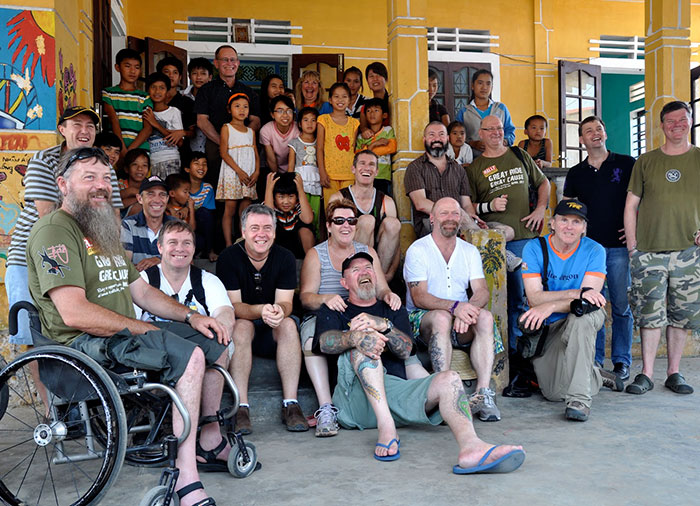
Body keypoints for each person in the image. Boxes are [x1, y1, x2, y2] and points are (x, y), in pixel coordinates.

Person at [26, 147, 231, 506]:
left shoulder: (101, 230)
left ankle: (209, 437)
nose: (101, 185)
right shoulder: (55, 231)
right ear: (63, 185)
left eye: (106, 178)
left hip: (121, 336)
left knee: (213, 340)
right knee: (191, 357)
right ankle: (186, 477)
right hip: (85, 345)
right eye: (89, 177)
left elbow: (143, 292)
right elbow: (74, 313)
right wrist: (143, 329)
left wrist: (191, 316)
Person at [315, 251, 526, 472]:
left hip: (396, 398)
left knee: (450, 379)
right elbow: (324, 343)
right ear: (344, 282)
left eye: (369, 268)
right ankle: (387, 429)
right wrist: (355, 337)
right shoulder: (335, 309)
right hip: (354, 402)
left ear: (376, 277)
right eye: (356, 270)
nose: (364, 272)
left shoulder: (392, 309)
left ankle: (471, 447)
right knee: (365, 343)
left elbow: (407, 350)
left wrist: (384, 325)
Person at [6, 106, 122, 346]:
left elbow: (114, 216)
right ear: (62, 130)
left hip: (80, 258)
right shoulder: (44, 160)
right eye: (76, 125)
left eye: (90, 126)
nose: (84, 131)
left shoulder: (104, 166)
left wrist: (112, 256)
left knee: (80, 335)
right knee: (36, 339)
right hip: (30, 259)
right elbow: (48, 217)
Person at [299, 199, 402, 437]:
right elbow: (305, 297)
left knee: (397, 334)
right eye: (339, 221)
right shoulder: (316, 254)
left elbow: (382, 289)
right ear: (328, 226)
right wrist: (326, 298)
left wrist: (389, 295)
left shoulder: (367, 253)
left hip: (361, 313)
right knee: (311, 339)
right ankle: (326, 408)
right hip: (324, 316)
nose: (346, 225)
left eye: (351, 220)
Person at [520, 199, 625, 421]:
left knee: (580, 318)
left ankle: (579, 400)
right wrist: (575, 294)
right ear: (552, 223)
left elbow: (588, 302)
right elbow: (534, 297)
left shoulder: (594, 250)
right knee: (553, 393)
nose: (569, 227)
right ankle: (595, 375)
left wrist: (550, 304)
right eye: (564, 220)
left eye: (576, 222)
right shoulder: (534, 248)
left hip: (583, 316)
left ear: (584, 228)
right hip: (550, 326)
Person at [623, 100, 700, 396]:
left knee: (681, 316)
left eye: (682, 119)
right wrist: (632, 247)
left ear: (690, 121)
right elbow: (631, 205)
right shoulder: (646, 161)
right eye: (671, 121)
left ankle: (674, 372)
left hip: (689, 252)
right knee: (649, 314)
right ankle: (646, 373)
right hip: (648, 252)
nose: (677, 125)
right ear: (661, 126)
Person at [404, 197, 503, 422]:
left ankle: (484, 393)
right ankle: (445, 394)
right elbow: (419, 297)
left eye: (455, 214)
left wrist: (468, 310)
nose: (450, 218)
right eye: (444, 213)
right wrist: (455, 308)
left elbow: (482, 291)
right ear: (432, 218)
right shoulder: (418, 250)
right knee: (441, 318)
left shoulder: (469, 251)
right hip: (423, 320)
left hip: (460, 319)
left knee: (485, 317)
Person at [217, 204, 309, 434]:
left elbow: (286, 303)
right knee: (241, 327)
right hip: (245, 326)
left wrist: (278, 311)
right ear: (243, 231)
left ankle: (291, 404)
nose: (262, 234)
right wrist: (261, 310)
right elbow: (233, 306)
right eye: (255, 228)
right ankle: (241, 407)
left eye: (267, 228)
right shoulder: (229, 257)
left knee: (289, 324)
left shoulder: (285, 257)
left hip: (273, 330)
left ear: (275, 232)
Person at [466, 115, 550, 352]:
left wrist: (540, 209)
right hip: (499, 245)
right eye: (490, 129)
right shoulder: (475, 168)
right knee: (510, 299)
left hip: (528, 239)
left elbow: (543, 183)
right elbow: (469, 208)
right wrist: (489, 206)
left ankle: (528, 352)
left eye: (499, 128)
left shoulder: (519, 154)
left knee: (529, 297)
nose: (496, 132)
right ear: (481, 134)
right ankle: (512, 353)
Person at [563, 116, 635, 379]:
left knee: (621, 306)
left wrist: (634, 229)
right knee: (593, 306)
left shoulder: (627, 163)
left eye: (599, 129)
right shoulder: (576, 172)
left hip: (619, 248)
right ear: (581, 139)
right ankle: (594, 362)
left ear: (605, 133)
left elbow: (642, 199)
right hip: (588, 251)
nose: (595, 133)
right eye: (588, 131)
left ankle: (621, 362)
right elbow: (566, 208)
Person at [138, 220, 235, 343]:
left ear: (194, 248)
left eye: (187, 243)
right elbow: (129, 321)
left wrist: (219, 331)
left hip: (199, 345)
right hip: (152, 346)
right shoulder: (142, 280)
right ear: (160, 247)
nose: (180, 249)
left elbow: (225, 313)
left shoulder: (209, 281)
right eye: (172, 242)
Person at [194, 45, 260, 187]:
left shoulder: (248, 91)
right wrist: (223, 142)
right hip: (215, 144)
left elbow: (255, 120)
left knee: (245, 186)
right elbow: (202, 121)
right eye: (225, 59)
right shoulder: (206, 90)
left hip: (244, 146)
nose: (229, 63)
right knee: (217, 185)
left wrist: (242, 139)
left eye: (233, 59)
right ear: (216, 63)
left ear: (238, 63)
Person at [404, 121, 483, 239]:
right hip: (431, 223)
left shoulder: (459, 169)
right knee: (480, 238)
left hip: (459, 223)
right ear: (424, 140)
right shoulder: (415, 167)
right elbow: (420, 203)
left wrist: (472, 219)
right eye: (432, 135)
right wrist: (454, 214)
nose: (437, 139)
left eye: (441, 134)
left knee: (504, 230)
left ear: (447, 139)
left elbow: (466, 204)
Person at [329, 151, 401, 281]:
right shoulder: (338, 198)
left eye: (371, 164)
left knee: (393, 223)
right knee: (367, 221)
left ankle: (378, 280)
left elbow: (396, 244)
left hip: (381, 267)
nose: (367, 168)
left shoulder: (387, 202)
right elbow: (331, 239)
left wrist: (390, 274)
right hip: (347, 262)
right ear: (353, 169)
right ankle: (358, 278)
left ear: (377, 171)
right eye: (362, 163)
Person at [217, 93, 259, 247]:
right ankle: (229, 245)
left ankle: (243, 243)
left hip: (249, 173)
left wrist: (256, 172)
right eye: (237, 106)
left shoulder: (250, 131)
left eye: (245, 107)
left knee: (245, 211)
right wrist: (239, 172)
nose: (242, 110)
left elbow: (255, 152)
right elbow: (223, 153)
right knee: (230, 210)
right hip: (233, 172)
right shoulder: (226, 128)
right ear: (229, 110)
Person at [102, 48, 152, 153]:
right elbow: (114, 120)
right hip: (115, 150)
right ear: (117, 67)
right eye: (128, 66)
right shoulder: (108, 93)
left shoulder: (145, 97)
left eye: (137, 67)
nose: (132, 71)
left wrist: (129, 151)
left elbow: (148, 128)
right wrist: (122, 149)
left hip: (140, 151)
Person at [456, 69, 515, 157]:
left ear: (492, 87)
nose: (484, 87)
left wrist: (504, 141)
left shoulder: (501, 109)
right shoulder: (464, 112)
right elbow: (457, 136)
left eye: (488, 84)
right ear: (472, 86)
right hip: (474, 158)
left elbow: (510, 132)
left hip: (500, 156)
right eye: (480, 83)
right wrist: (473, 143)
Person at [317, 82, 360, 202]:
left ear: (349, 100)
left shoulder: (354, 123)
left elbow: (353, 149)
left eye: (344, 96)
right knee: (331, 208)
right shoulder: (323, 120)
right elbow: (319, 148)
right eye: (336, 96)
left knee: (348, 208)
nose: (340, 100)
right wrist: (322, 172)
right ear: (330, 100)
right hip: (329, 175)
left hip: (349, 174)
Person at [121, 175, 175, 271]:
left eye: (162, 194)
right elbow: (124, 265)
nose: (157, 200)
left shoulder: (177, 226)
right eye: (150, 194)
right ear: (139, 199)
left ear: (167, 199)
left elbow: (187, 262)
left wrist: (160, 261)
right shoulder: (127, 225)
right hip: (139, 280)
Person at [263, 171, 315, 259]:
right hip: (278, 249)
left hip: (297, 249)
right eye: (281, 197)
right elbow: (267, 218)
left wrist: (300, 190)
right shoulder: (270, 205)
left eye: (291, 196)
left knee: (305, 229)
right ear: (273, 197)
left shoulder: (299, 205)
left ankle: (310, 261)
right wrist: (269, 189)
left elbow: (308, 219)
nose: (286, 202)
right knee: (268, 228)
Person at [143, 72, 184, 179]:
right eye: (153, 87)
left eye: (162, 88)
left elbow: (179, 142)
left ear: (167, 92)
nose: (157, 91)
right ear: (148, 90)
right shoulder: (145, 112)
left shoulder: (173, 112)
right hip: (150, 161)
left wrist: (156, 124)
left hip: (170, 160)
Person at [289, 107, 322, 235]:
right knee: (300, 210)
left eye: (313, 120)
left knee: (315, 211)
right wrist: (290, 183)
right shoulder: (294, 142)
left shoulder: (320, 142)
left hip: (316, 181)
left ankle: (315, 236)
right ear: (299, 124)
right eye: (306, 120)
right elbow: (291, 165)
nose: (310, 123)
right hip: (300, 180)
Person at [354, 97, 397, 195]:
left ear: (384, 115)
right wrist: (374, 144)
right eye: (368, 111)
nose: (372, 113)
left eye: (376, 110)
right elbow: (358, 155)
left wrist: (367, 149)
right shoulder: (361, 136)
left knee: (382, 201)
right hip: (366, 175)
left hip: (383, 176)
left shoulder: (388, 130)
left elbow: (391, 148)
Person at [156, 56, 196, 157]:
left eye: (175, 72)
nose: (171, 76)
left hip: (180, 153)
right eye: (167, 72)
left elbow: (193, 132)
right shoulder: (152, 101)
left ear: (180, 77)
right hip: (154, 152)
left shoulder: (187, 102)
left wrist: (182, 133)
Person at [184, 152, 217, 261]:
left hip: (199, 230)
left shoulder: (207, 188)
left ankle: (210, 251)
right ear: (187, 169)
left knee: (205, 213)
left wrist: (190, 208)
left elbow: (207, 214)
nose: (201, 167)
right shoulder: (182, 189)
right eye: (197, 163)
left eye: (204, 164)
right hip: (184, 229)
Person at [182, 57, 214, 154]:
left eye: (203, 73)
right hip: (186, 151)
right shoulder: (181, 97)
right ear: (189, 76)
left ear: (210, 77)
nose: (199, 77)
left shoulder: (216, 99)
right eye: (195, 73)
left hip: (211, 151)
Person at [260, 95, 299, 174]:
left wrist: (289, 177)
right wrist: (277, 177)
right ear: (272, 114)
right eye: (280, 111)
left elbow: (296, 158)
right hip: (273, 170)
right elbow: (271, 159)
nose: (285, 115)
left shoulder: (297, 129)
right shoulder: (266, 130)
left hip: (294, 169)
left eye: (289, 111)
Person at [359, 62, 391, 137]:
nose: (375, 79)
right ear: (367, 81)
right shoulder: (365, 107)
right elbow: (363, 127)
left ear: (386, 79)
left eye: (379, 75)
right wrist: (365, 131)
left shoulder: (392, 102)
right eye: (371, 76)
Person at [118, 148, 149, 217]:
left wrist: (133, 194)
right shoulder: (120, 183)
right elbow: (116, 203)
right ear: (126, 169)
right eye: (135, 164)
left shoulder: (151, 185)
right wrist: (130, 191)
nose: (140, 169)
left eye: (144, 165)